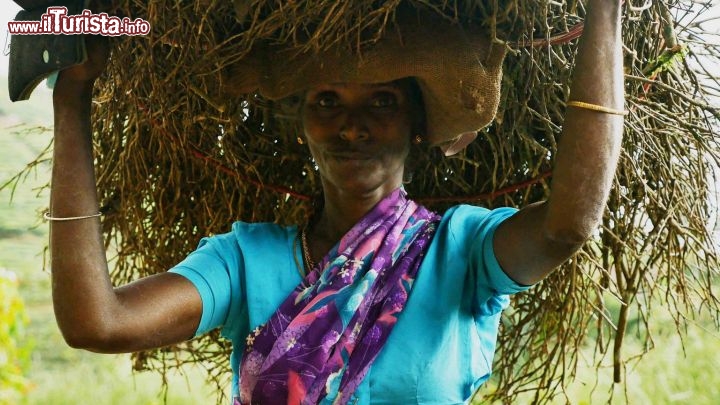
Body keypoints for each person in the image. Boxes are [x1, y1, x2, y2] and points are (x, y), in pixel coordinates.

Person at [46, 0, 624, 403]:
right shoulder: (245, 261)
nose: (352, 127)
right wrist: (71, 99)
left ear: (416, 127)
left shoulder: (461, 252)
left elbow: (565, 226)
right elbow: (101, 323)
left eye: (381, 104)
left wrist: (605, 10)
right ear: (302, 125)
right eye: (327, 102)